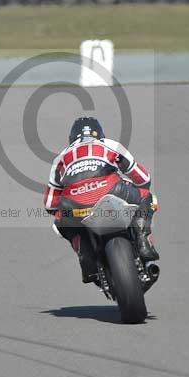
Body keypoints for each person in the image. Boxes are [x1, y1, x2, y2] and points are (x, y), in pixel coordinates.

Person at [43, 116, 159, 283]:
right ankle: (143, 240)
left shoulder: (61, 157)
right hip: (111, 190)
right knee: (147, 197)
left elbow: (49, 203)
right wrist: (134, 188)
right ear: (100, 134)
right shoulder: (110, 144)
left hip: (75, 204)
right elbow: (143, 178)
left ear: (71, 138)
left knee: (60, 222)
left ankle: (86, 255)